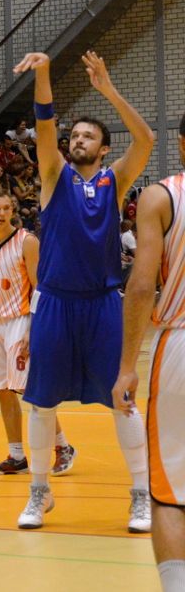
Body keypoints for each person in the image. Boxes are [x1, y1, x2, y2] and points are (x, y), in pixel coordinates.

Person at [12, 50, 153, 533]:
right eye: (75, 135)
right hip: (54, 302)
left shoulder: (115, 182)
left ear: (102, 146)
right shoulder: (54, 176)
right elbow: (44, 122)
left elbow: (147, 139)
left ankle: (141, 496)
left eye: (88, 135)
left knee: (122, 400)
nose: (77, 140)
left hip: (101, 305)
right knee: (42, 403)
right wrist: (45, 72)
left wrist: (108, 90)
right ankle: (39, 491)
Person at [0, 190, 76, 477]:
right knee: (1, 390)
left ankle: (63, 447)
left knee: (28, 390)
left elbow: (40, 288)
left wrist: (34, 328)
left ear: (12, 211)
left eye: (6, 208)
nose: (1, 213)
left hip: (20, 320)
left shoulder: (27, 241)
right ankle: (16, 455)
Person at [115, 112, 185, 590]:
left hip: (179, 342)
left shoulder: (161, 195)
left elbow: (141, 287)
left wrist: (126, 367)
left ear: (181, 145)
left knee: (170, 494)